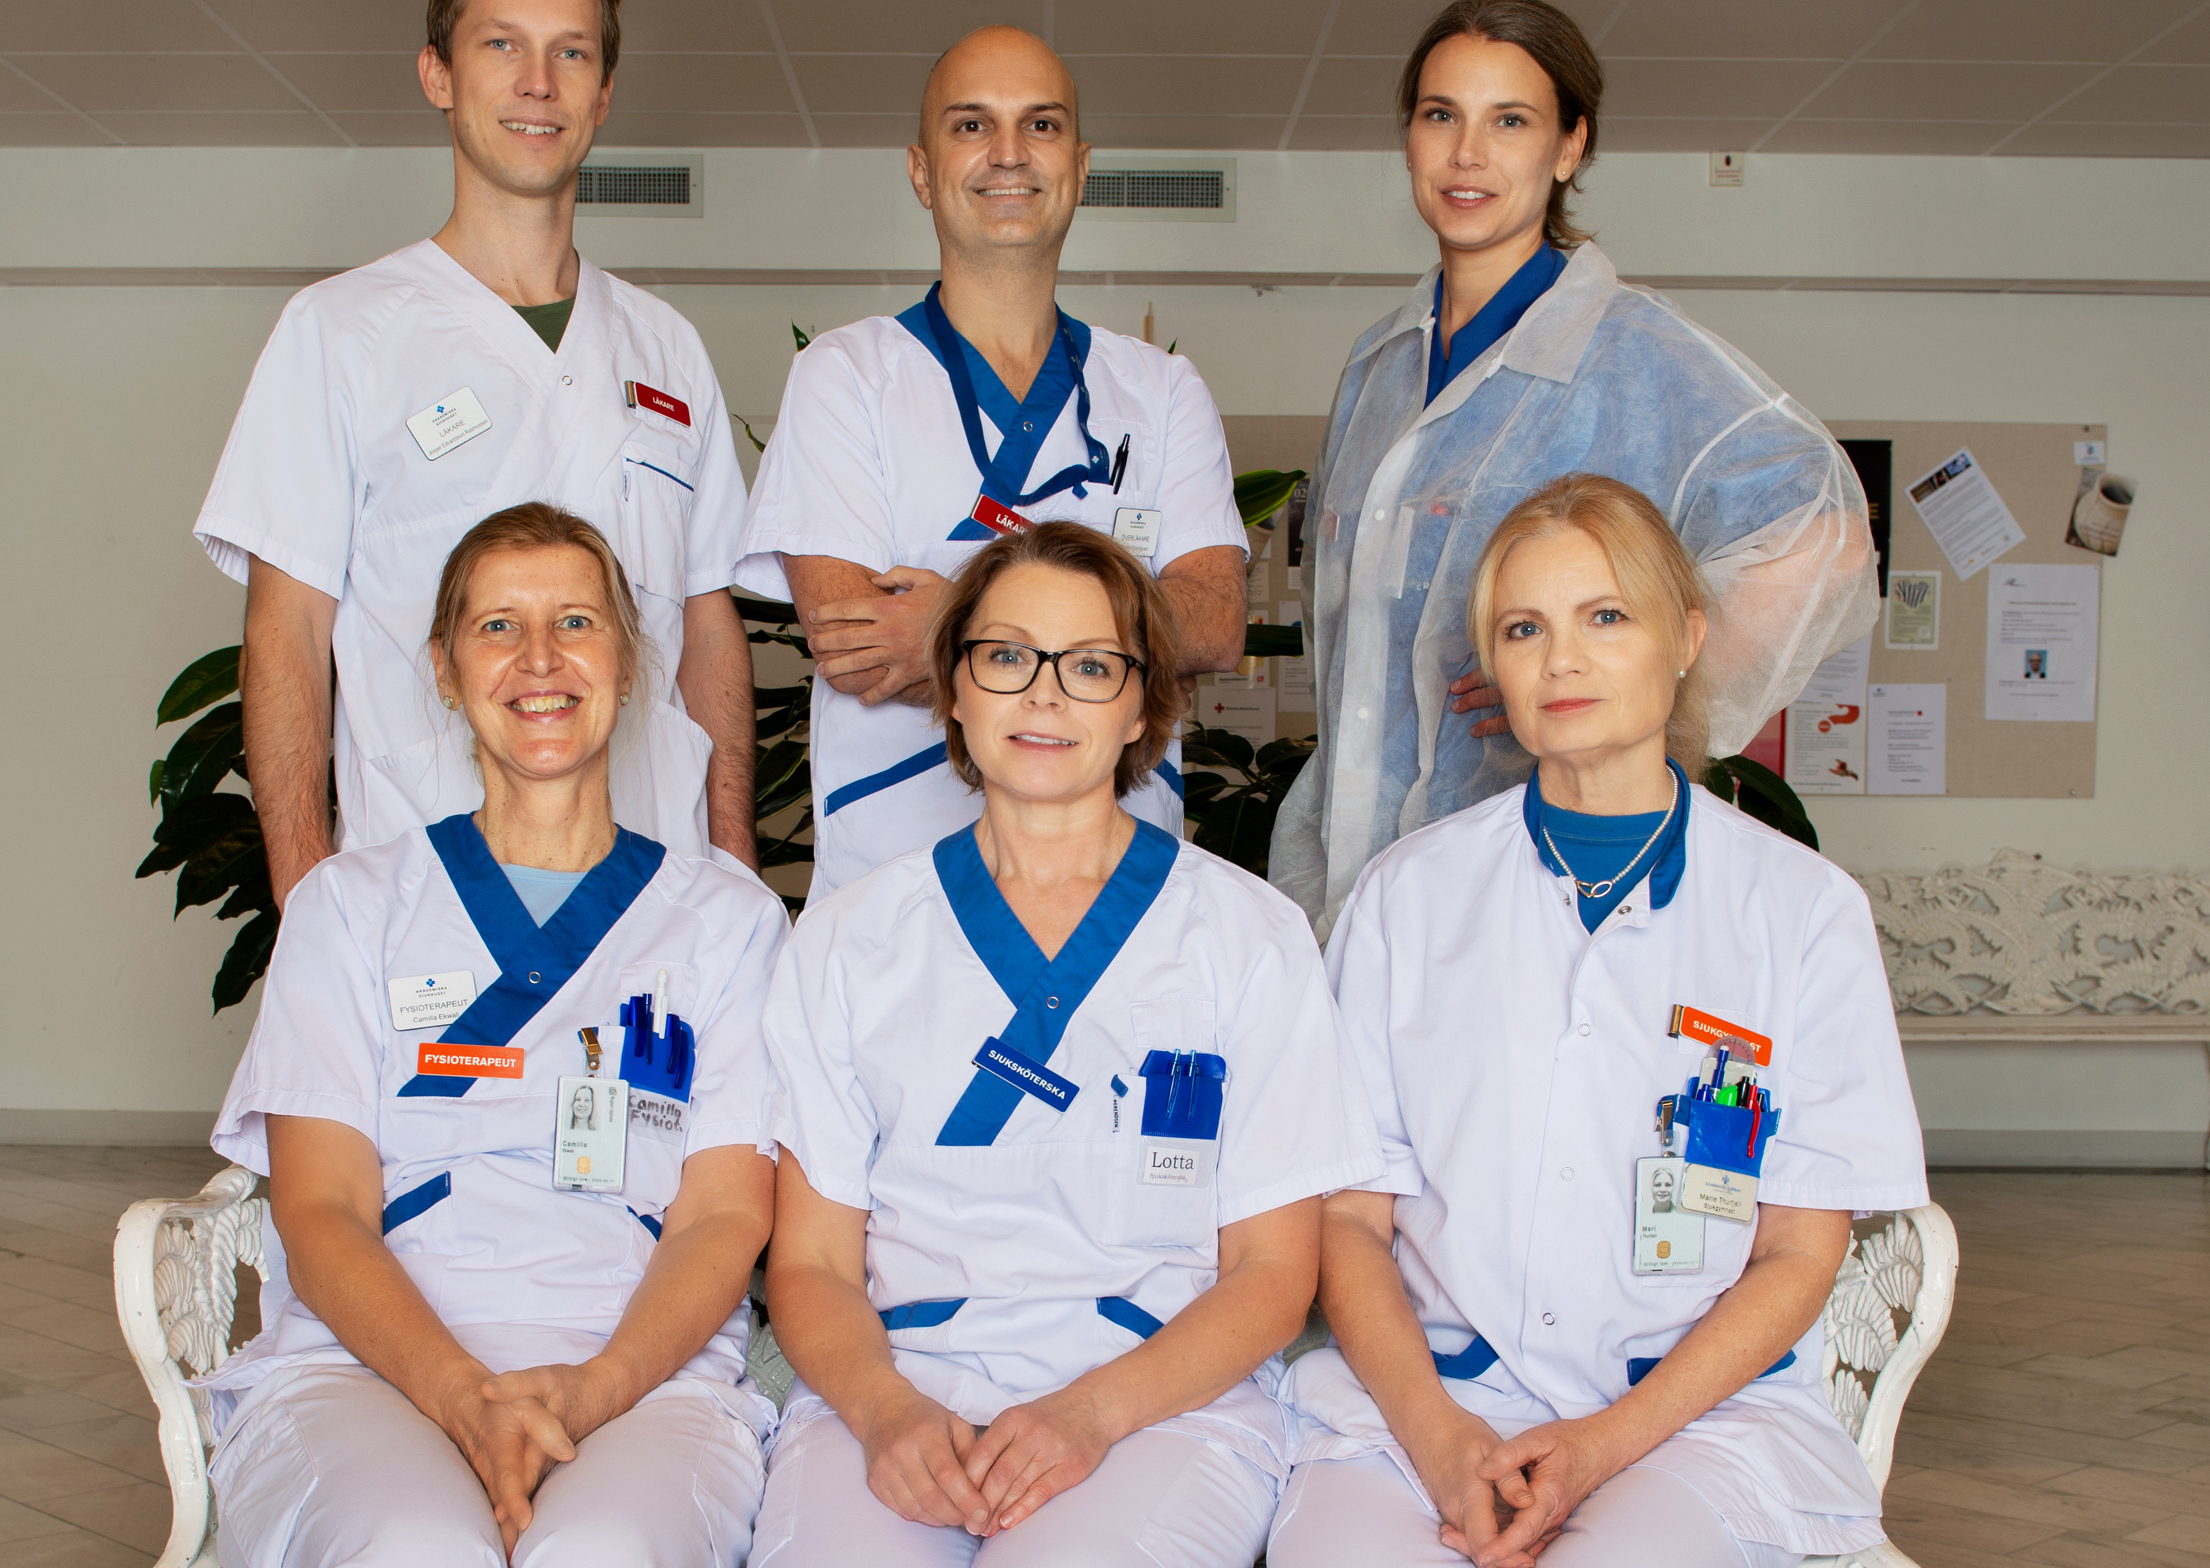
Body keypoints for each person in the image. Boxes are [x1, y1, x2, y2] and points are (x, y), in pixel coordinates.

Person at [1269, 475, 1927, 1568]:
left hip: (1688, 1419)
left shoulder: (1802, 910)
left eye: (1605, 616)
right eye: (1523, 629)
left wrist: (1599, 1446)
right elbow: (1349, 1220)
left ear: (1687, 639)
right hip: (1430, 1403)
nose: (1561, 660)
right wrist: (1440, 1439)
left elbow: (1797, 1249)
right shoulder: (1407, 896)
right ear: (1495, 669)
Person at [751, 523, 1377, 1567]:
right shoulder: (852, 936)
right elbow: (813, 1259)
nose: (1044, 695)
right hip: (895, 1383)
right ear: (954, 686)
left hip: (1160, 1399)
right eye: (1006, 656)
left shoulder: (1245, 935)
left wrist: (1090, 1413)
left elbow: (1272, 1272)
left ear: (1142, 704)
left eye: (1089, 666)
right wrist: (883, 1410)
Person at [197, 505, 787, 1567]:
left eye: (576, 621)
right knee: (413, 1545)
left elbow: (723, 1213)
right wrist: (466, 1398)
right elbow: (322, 1206)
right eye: (498, 627)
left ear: (628, 661)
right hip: (365, 1366)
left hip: (640, 1372)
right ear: (443, 668)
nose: (540, 659)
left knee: (603, 1549)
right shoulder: (350, 907)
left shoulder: (727, 921)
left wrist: (592, 1388)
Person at [1272, 0, 1879, 936]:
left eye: (1510, 120)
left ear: (1569, 147)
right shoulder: (1378, 364)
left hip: (1527, 890)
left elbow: (1825, 535)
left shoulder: (1636, 351)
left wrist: (1599, 679)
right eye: (1440, 115)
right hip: (1345, 887)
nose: (1467, 154)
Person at [195, 0, 759, 907]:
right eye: (502, 44)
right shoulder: (340, 333)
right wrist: (309, 912)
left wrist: (733, 877)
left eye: (570, 52)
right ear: (439, 75)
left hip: (658, 893)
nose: (538, 82)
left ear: (603, 91)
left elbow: (707, 625)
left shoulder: (665, 347)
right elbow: (287, 634)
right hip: (422, 891)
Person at [738, 26, 1249, 904]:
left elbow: (1215, 622)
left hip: (1121, 888)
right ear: (921, 170)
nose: (1009, 152)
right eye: (971, 125)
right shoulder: (847, 373)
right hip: (895, 885)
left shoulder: (1162, 390)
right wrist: (1113, 641)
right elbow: (856, 643)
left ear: (1079, 168)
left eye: (1041, 125)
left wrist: (948, 623)